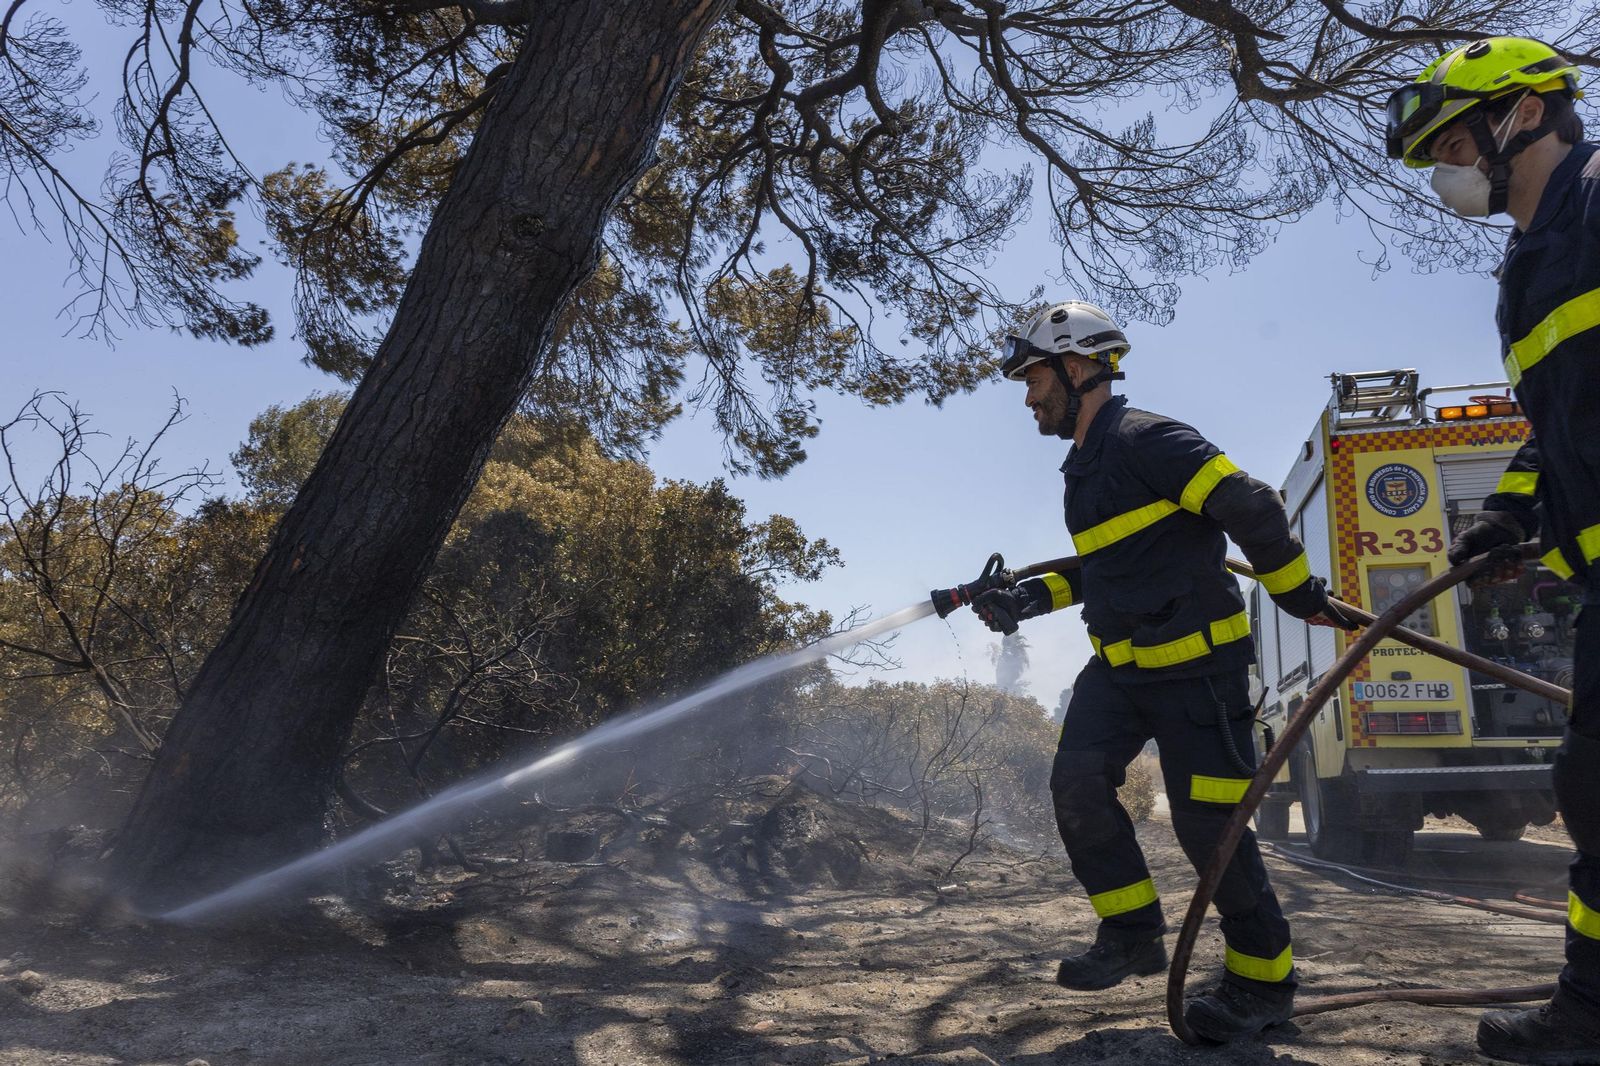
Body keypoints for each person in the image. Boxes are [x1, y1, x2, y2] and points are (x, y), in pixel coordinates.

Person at [970, 300, 1352, 1042]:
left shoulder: (1150, 439)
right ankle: (1132, 933)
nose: (1028, 399)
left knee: (1211, 830)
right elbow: (1108, 568)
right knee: (1077, 786)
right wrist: (1029, 598)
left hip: (1200, 673)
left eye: (1035, 381)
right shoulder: (1085, 468)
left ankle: (1262, 986)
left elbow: (1251, 504)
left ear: (1076, 368)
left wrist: (1295, 593)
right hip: (1120, 672)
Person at [1385, 36, 1600, 1065]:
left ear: (1523, 115)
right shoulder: (1527, 269)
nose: (1448, 172)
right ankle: (1589, 1009)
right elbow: (1558, 427)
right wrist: (1509, 516)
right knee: (1590, 787)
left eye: (1454, 144)